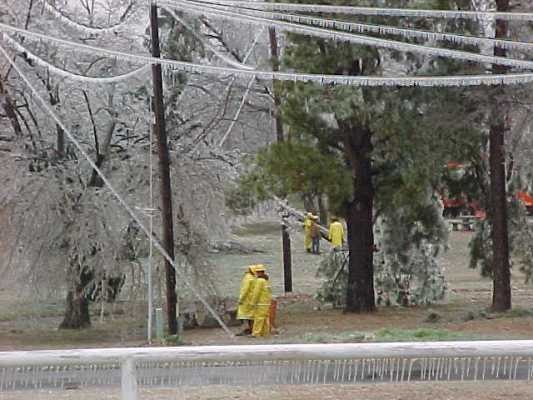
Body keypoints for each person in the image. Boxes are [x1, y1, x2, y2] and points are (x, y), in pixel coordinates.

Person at [250, 264, 272, 337]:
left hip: (261, 303)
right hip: (267, 302)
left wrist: (253, 302)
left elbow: (256, 292)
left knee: (258, 318)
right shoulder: (266, 280)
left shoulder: (259, 281)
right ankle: (265, 332)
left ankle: (256, 333)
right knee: (265, 318)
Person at [236, 265, 257, 336]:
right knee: (251, 315)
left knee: (245, 316)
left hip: (246, 300)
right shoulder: (253, 278)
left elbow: (245, 290)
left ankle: (248, 329)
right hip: (251, 299)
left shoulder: (247, 278)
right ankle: (251, 329)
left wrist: (241, 299)